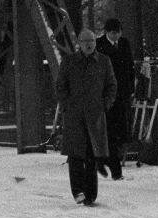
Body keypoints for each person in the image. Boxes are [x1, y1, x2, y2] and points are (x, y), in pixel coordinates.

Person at [55, 28, 117, 206]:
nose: (89, 45)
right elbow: (61, 85)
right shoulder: (69, 62)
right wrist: (67, 105)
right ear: (79, 44)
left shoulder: (104, 62)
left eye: (92, 41)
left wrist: (105, 104)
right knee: (75, 155)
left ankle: (91, 194)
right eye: (85, 42)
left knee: (92, 155)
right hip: (75, 115)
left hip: (95, 114)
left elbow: (111, 85)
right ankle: (78, 191)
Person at [96, 18, 135, 180]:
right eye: (113, 32)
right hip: (106, 95)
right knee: (111, 131)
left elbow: (130, 67)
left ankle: (106, 160)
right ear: (107, 32)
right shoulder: (99, 45)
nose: (116, 35)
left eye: (118, 32)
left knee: (119, 131)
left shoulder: (124, 44)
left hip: (122, 94)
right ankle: (114, 167)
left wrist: (131, 89)